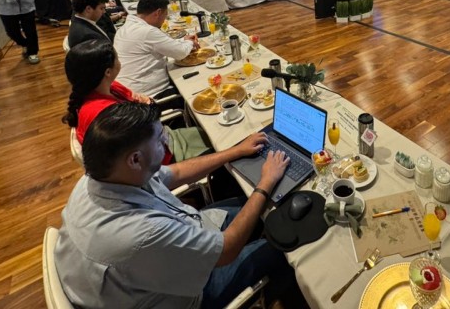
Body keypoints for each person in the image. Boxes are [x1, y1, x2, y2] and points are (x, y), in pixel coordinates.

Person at [54, 102, 298, 308]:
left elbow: (177, 172)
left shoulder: (97, 178)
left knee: (256, 208)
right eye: (159, 139)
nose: (166, 140)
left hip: (162, 260)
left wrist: (236, 151)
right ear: (135, 159)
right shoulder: (142, 234)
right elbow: (227, 249)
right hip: (192, 295)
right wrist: (266, 182)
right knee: (284, 248)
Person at [62, 40, 209, 161]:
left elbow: (141, 101)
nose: (120, 61)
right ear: (107, 72)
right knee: (218, 143)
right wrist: (147, 105)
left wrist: (146, 104)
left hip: (158, 139)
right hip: (158, 159)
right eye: (117, 58)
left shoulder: (105, 88)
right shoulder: (105, 115)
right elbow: (148, 114)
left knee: (205, 130)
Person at [113, 0, 199, 102]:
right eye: (165, 15)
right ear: (158, 13)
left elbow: (161, 44)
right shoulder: (147, 31)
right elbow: (180, 53)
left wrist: (183, 40)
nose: (164, 20)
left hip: (127, 92)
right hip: (149, 97)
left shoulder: (125, 28)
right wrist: (190, 43)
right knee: (195, 84)